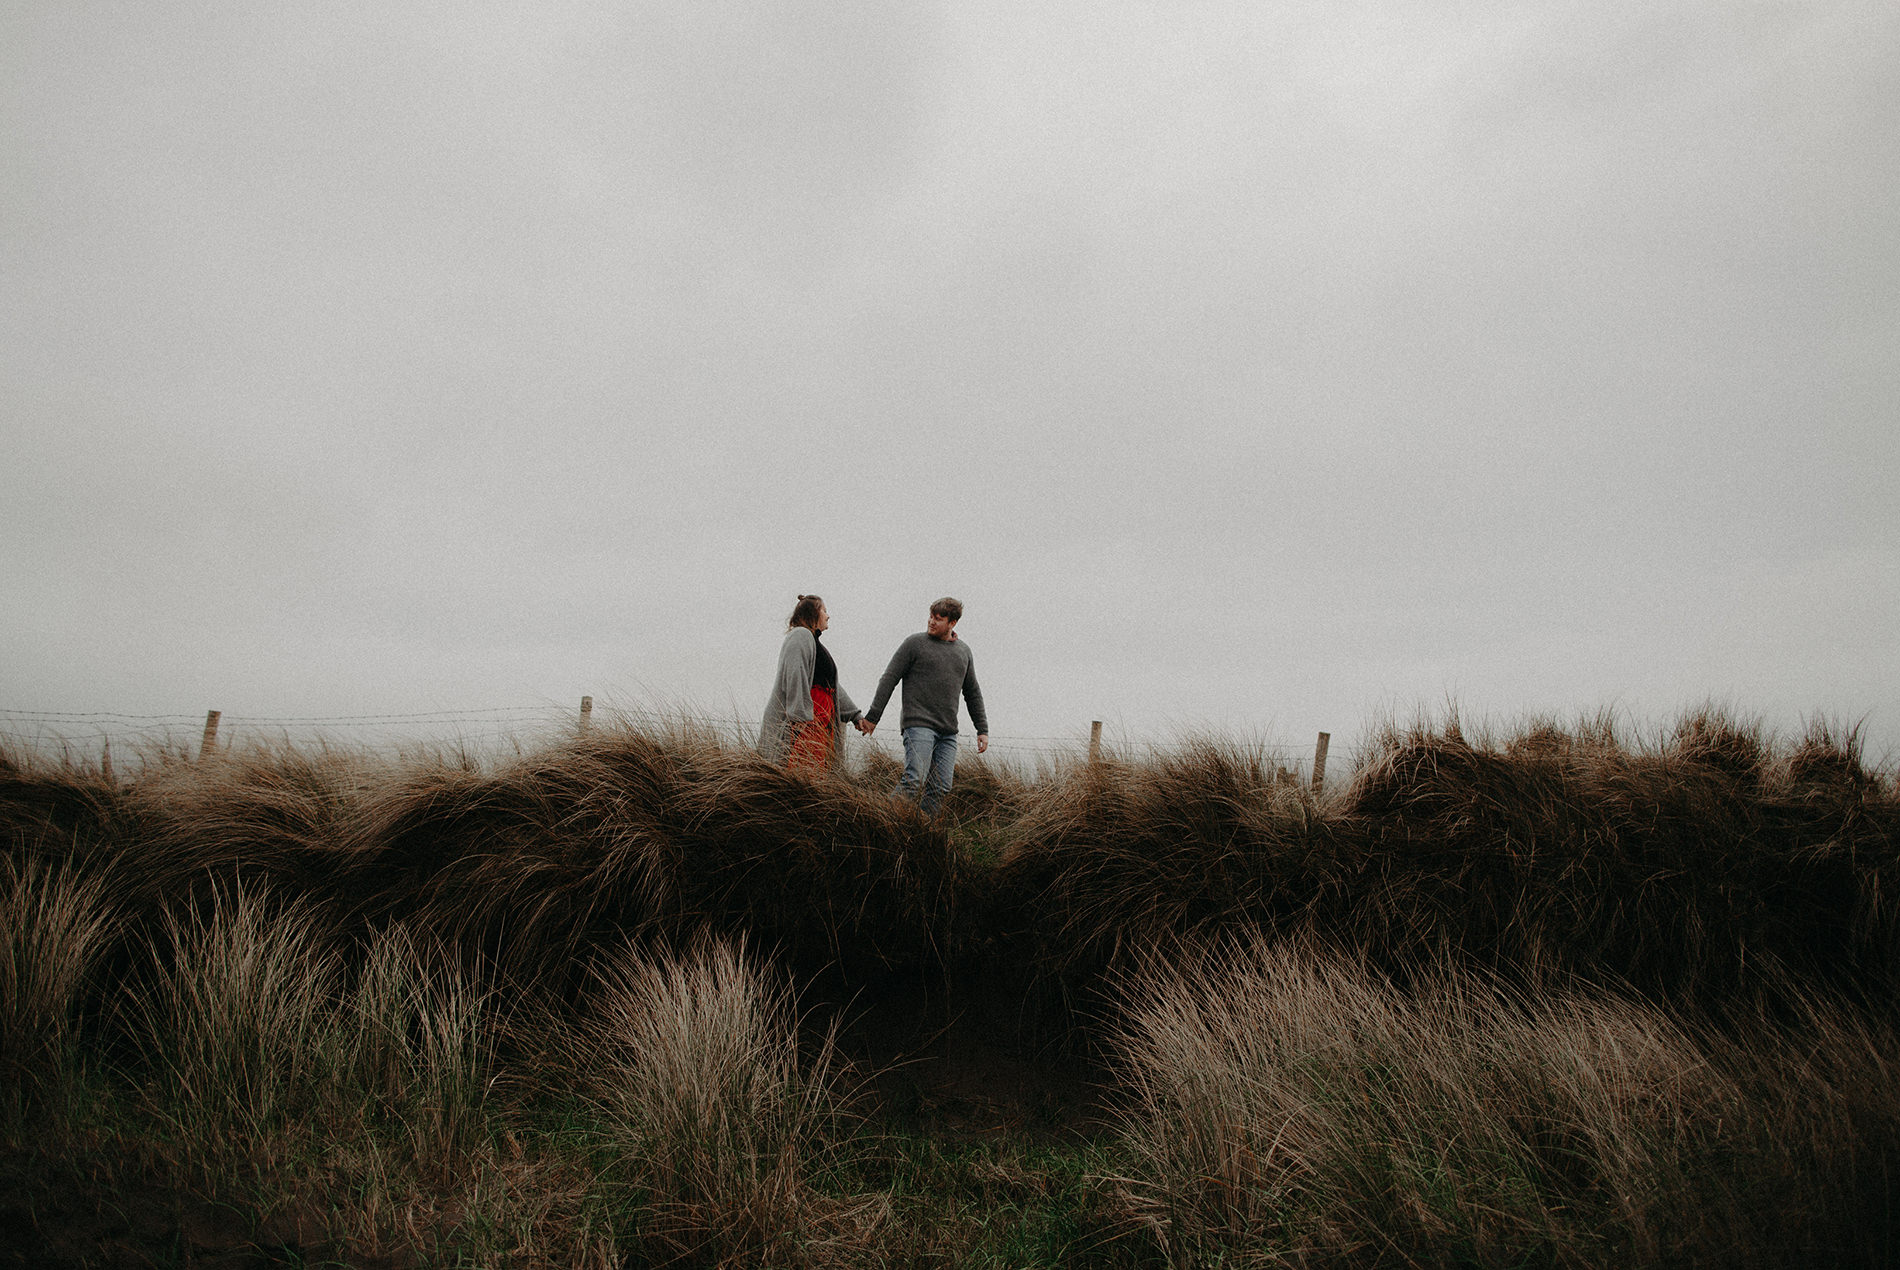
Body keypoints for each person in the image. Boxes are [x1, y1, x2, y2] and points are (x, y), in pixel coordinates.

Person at [862, 596, 989, 817]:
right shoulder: (914, 644)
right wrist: (873, 716)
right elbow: (889, 678)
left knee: (940, 787)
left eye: (938, 619)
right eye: (931, 616)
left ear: (952, 623)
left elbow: (972, 692)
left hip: (948, 731)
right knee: (913, 780)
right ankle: (880, 822)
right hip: (918, 723)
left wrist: (982, 729)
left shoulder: (964, 652)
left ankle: (922, 832)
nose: (931, 622)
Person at [757, 595, 867, 771]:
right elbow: (795, 673)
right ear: (813, 614)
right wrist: (799, 715)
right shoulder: (801, 635)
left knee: (812, 773)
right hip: (807, 721)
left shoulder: (814, 642)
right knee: (802, 772)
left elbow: (831, 685)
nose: (828, 615)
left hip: (819, 720)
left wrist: (854, 715)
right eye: (824, 610)